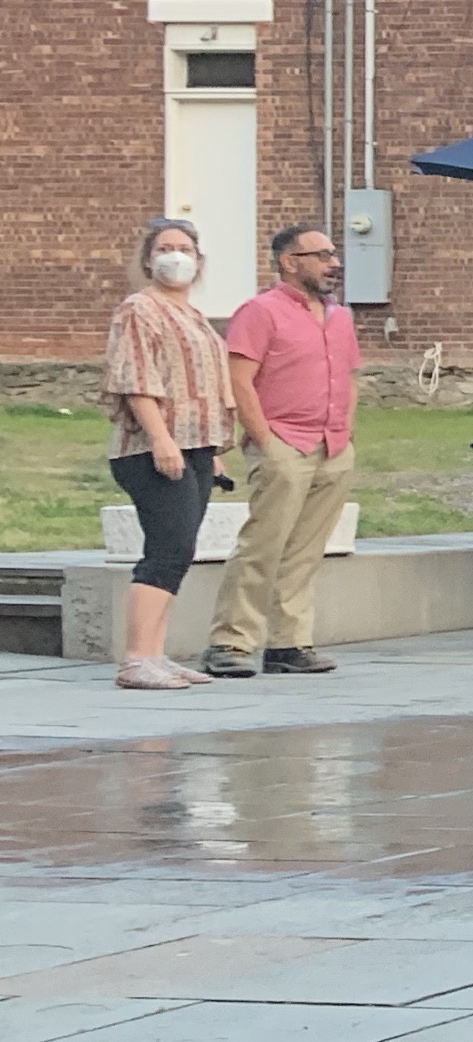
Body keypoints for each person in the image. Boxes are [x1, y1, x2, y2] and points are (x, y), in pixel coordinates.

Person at [202, 221, 359, 679]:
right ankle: (230, 642)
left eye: (334, 254)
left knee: (306, 550)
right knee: (263, 545)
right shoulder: (260, 312)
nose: (334, 263)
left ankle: (289, 643)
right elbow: (239, 380)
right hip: (283, 443)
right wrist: (265, 441)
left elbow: (349, 377)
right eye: (322, 255)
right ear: (290, 263)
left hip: (332, 445)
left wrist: (345, 433)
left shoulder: (340, 316)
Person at [102, 219, 234, 692]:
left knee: (181, 551)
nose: (175, 256)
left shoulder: (194, 315)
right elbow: (137, 379)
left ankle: (156, 653)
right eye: (164, 248)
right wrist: (162, 439)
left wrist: (210, 449)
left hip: (195, 447)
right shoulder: (139, 309)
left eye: (184, 248)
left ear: (199, 260)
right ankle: (136, 658)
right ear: (147, 259)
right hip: (152, 448)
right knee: (166, 548)